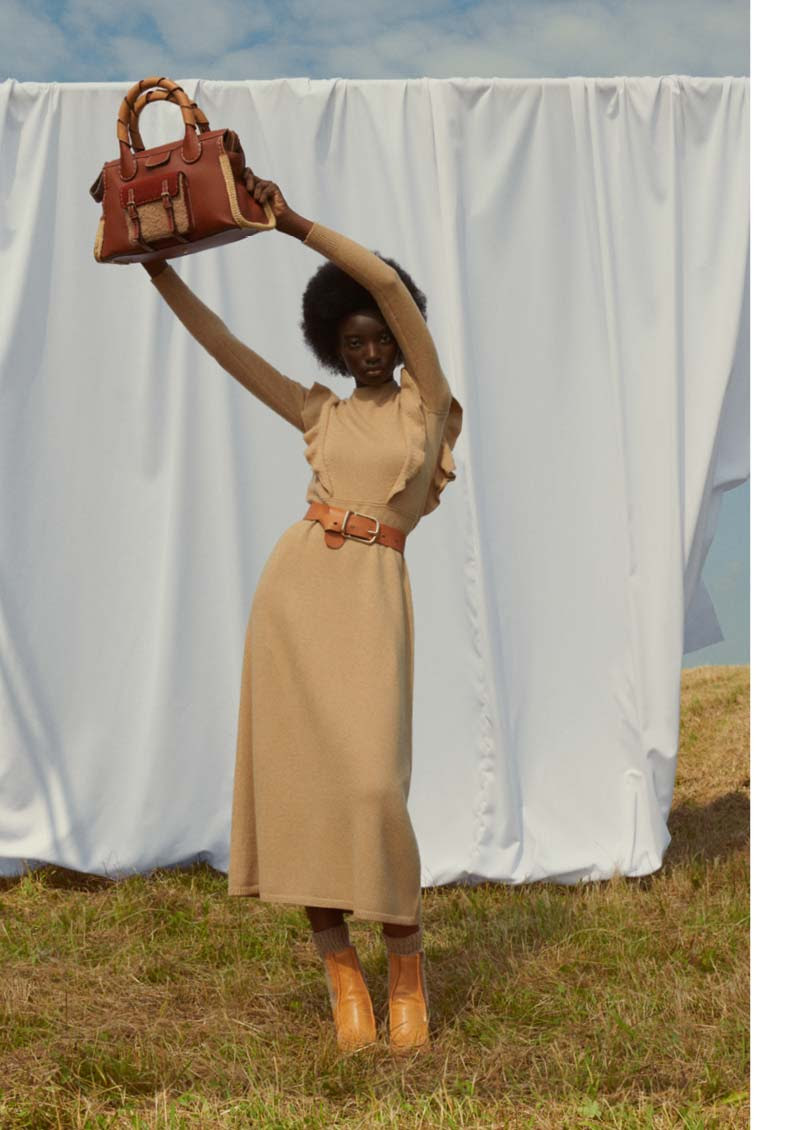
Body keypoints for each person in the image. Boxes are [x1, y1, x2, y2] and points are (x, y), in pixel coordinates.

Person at [141, 168, 463, 1053]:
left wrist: (290, 223)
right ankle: (341, 974)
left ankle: (406, 969)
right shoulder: (319, 413)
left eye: (380, 338)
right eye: (353, 342)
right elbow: (225, 348)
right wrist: (156, 270)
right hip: (296, 597)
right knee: (304, 791)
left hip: (374, 597)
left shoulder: (429, 403)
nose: (371, 352)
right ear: (334, 347)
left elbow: (386, 283)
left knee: (372, 788)